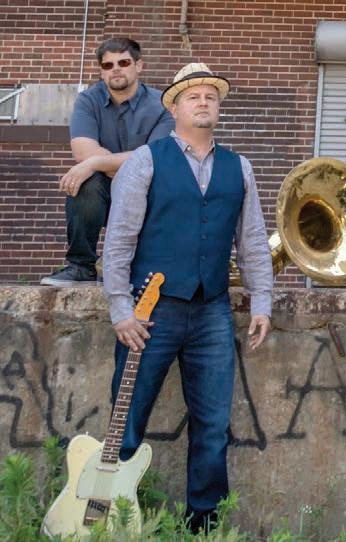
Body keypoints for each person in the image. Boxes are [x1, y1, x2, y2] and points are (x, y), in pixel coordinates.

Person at [102, 62, 273, 532]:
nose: (203, 101)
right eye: (192, 96)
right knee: (127, 419)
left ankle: (204, 525)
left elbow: (252, 241)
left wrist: (261, 301)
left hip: (212, 310)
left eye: (210, 96)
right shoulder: (145, 160)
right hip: (148, 311)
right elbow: (119, 239)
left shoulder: (240, 167)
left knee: (213, 427)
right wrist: (120, 308)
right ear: (174, 108)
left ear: (219, 108)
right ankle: (110, 520)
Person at [43, 37, 173, 286]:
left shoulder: (162, 105)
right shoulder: (88, 100)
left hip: (149, 191)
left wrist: (95, 163)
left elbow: (156, 158)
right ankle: (81, 267)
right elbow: (83, 150)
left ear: (139, 65)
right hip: (106, 190)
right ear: (101, 71)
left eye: (123, 62)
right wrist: (107, 165)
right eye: (107, 65)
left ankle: (143, 266)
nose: (115, 69)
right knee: (84, 182)